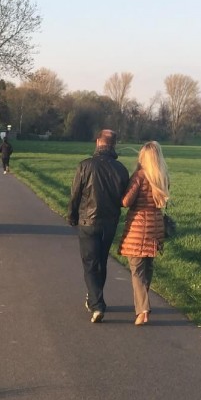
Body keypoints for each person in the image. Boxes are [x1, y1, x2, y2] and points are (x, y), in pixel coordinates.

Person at [68, 129, 130, 323]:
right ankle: (94, 298)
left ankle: (97, 305)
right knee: (101, 262)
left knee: (89, 263)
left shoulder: (85, 166)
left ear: (97, 142)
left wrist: (71, 216)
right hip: (109, 223)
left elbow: (75, 194)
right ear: (114, 145)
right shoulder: (121, 169)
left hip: (87, 221)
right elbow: (123, 200)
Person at [118, 141, 170, 325]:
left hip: (138, 228)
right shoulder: (162, 177)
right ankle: (144, 304)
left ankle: (142, 310)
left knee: (137, 270)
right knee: (147, 268)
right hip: (156, 227)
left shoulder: (139, 176)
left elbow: (126, 202)